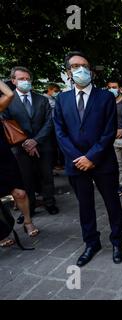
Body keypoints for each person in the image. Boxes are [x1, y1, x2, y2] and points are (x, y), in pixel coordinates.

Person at [54, 51, 122, 267]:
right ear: (68, 72)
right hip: (76, 164)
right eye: (75, 66)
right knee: (85, 206)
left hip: (102, 161)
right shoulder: (62, 99)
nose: (81, 70)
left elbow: (108, 131)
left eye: (84, 65)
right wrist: (79, 158)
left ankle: (117, 242)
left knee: (112, 203)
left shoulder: (105, 97)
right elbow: (60, 132)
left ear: (91, 71)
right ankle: (91, 243)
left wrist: (92, 157)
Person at [3, 66, 59, 223]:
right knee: (25, 178)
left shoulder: (42, 99)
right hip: (20, 148)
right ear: (13, 81)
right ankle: (30, 207)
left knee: (47, 175)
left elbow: (50, 121)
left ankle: (50, 202)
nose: (25, 82)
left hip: (43, 145)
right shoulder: (8, 100)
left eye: (28, 79)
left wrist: (36, 140)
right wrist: (25, 142)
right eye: (21, 79)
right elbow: (8, 124)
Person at [0, 80, 39, 247]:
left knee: (20, 193)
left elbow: (9, 94)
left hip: (3, 158)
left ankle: (28, 222)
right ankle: (1, 233)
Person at [106, 80, 122, 197]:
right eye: (109, 87)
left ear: (120, 89)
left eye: (114, 87)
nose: (112, 89)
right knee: (118, 165)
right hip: (113, 139)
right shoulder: (107, 103)